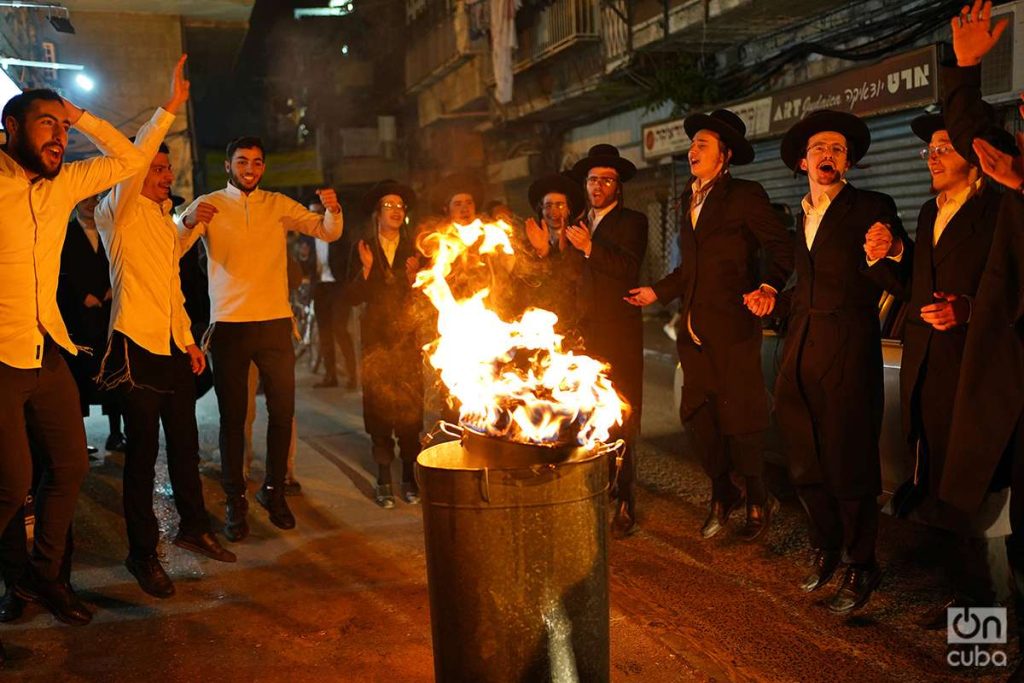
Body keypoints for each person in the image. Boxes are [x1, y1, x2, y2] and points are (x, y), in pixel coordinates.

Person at [0, 87, 146, 645]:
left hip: (48, 349)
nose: (59, 136)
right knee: (11, 485)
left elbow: (129, 159)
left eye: (64, 127)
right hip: (2, 359)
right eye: (46, 124)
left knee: (70, 468)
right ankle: (15, 582)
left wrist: (79, 114)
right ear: (10, 126)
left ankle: (46, 578)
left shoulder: (65, 184)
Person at [866, 110, 1016, 627]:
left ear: (978, 159)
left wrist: (969, 310)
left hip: (976, 378)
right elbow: (918, 292)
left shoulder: (1001, 210)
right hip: (927, 375)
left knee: (984, 505)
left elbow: (1011, 291)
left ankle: (992, 617)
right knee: (942, 501)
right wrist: (885, 259)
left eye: (943, 147)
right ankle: (969, 604)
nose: (931, 157)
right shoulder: (931, 210)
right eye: (928, 149)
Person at [95, 55, 236, 598]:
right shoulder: (120, 208)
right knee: (141, 458)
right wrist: (169, 108)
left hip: (171, 351)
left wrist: (187, 343)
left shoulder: (157, 218)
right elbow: (130, 167)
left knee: (184, 447)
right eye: (156, 168)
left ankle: (195, 528)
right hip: (134, 349)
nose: (165, 175)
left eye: (166, 168)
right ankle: (142, 554)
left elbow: (171, 282)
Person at [626, 109, 794, 542]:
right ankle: (723, 492)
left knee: (742, 419)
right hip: (694, 333)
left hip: (734, 328)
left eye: (703, 144)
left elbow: (781, 247)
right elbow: (690, 269)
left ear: (726, 156)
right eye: (693, 143)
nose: (692, 150)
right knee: (697, 417)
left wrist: (769, 287)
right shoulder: (689, 198)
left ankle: (756, 497)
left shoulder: (744, 195)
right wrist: (656, 293)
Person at [773, 109, 908, 614]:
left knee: (850, 466)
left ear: (848, 162)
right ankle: (827, 549)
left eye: (836, 149)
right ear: (802, 161)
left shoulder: (871, 206)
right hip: (799, 354)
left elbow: (899, 278)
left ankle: (861, 563)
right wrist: (773, 297)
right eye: (818, 149)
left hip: (849, 353)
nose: (826, 156)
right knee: (806, 464)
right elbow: (803, 288)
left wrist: (891, 249)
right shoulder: (800, 213)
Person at [180, 137, 343, 541]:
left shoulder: (277, 204)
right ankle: (236, 499)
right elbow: (174, 246)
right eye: (241, 161)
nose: (249, 168)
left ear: (263, 168)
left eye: (256, 162)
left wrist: (334, 210)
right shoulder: (210, 203)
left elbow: (325, 231)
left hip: (274, 324)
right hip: (230, 328)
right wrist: (184, 221)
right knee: (234, 420)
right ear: (229, 166)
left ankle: (273, 490)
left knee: (282, 413)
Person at [568, 144, 649, 537]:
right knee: (583, 417)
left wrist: (589, 248)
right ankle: (592, 493)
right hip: (584, 337)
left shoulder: (633, 221)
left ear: (618, 186)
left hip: (619, 335)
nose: (598, 186)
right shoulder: (577, 221)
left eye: (606, 180)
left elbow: (627, 268)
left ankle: (625, 499)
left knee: (620, 417)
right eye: (592, 180)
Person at [347, 180, 424, 508]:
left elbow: (429, 297)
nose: (396, 211)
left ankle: (409, 474)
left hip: (407, 339)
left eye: (400, 207)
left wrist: (414, 280)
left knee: (409, 408)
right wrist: (365, 272)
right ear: (377, 213)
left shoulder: (415, 249)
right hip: (376, 339)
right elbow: (351, 298)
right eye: (389, 206)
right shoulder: (362, 247)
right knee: (379, 408)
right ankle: (383, 477)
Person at [57, 194, 125, 454]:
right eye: (86, 199)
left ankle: (116, 433)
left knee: (113, 375)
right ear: (75, 202)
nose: (91, 203)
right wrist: (80, 294)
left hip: (108, 315)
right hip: (79, 319)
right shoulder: (66, 234)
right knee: (79, 382)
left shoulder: (109, 230)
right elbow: (60, 272)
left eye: (96, 198)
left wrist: (111, 288)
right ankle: (79, 439)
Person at [523, 172, 587, 330]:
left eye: (559, 205)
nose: (553, 212)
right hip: (543, 321)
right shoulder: (530, 241)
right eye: (548, 205)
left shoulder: (581, 238)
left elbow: (576, 277)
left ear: (569, 210)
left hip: (576, 321)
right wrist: (541, 253)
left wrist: (563, 250)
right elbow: (527, 282)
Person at [310, 200, 357, 389]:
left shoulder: (338, 233)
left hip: (338, 287)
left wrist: (348, 284)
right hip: (320, 288)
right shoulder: (307, 237)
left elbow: (350, 259)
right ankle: (331, 376)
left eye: (319, 212)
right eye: (312, 213)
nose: (316, 216)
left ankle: (352, 376)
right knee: (324, 333)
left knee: (340, 330)